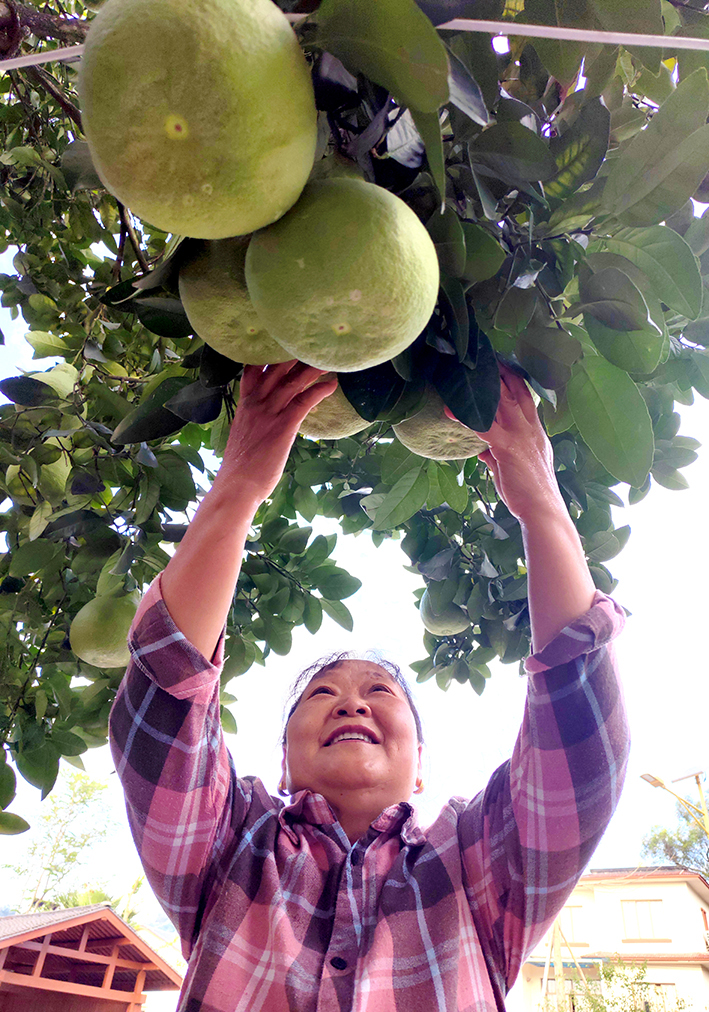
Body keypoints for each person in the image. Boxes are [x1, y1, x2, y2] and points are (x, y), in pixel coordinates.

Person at [109, 360, 629, 1012]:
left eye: (380, 693)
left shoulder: (473, 865)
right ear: (282, 761)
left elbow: (578, 747)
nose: (351, 700)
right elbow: (164, 698)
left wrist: (539, 497)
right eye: (321, 694)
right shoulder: (233, 847)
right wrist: (238, 484)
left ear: (420, 768)